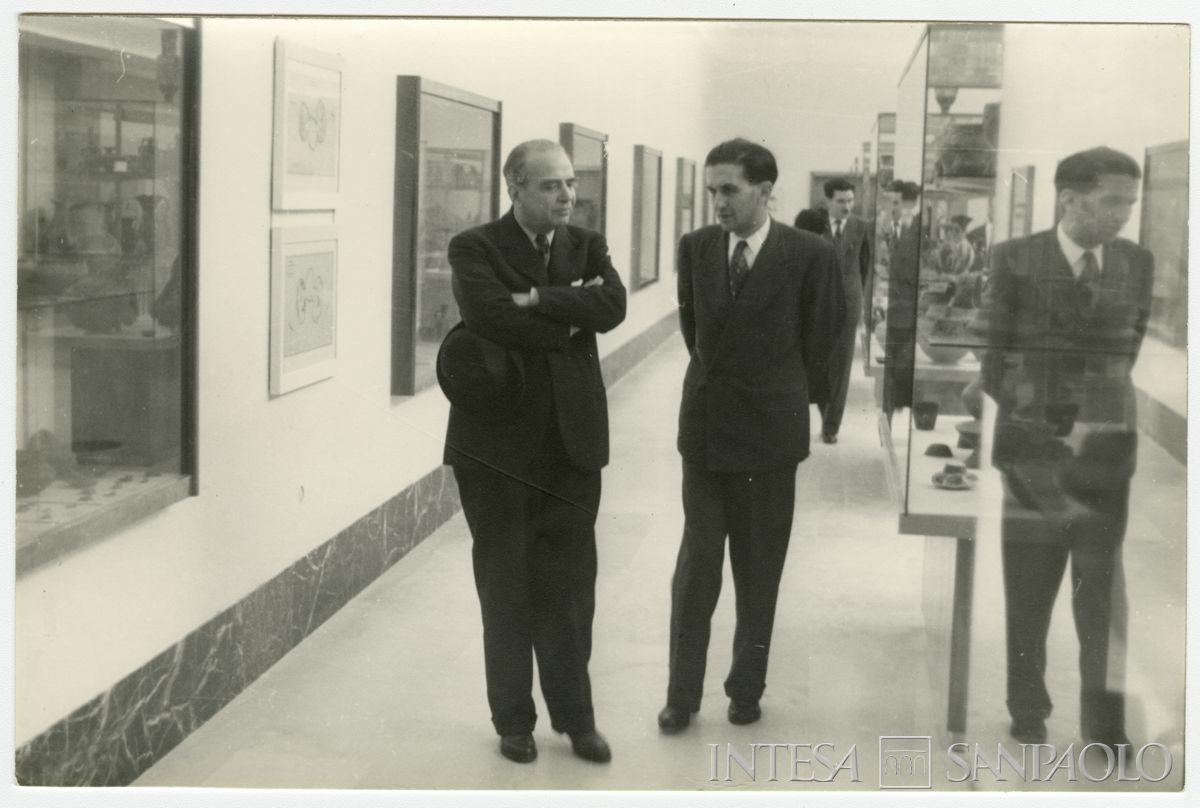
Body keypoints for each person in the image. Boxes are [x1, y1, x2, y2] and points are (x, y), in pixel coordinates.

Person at [439, 139, 627, 764]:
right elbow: (492, 319)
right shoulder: (475, 247)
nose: (567, 196)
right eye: (550, 186)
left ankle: (577, 721)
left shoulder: (586, 244)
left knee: (573, 589)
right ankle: (513, 721)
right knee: (506, 585)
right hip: (495, 447)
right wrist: (573, 317)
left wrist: (543, 299)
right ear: (514, 187)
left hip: (572, 444)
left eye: (570, 184)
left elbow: (614, 305)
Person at [658, 138, 845, 733]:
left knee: (759, 570)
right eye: (711, 190)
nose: (717, 202)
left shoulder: (810, 254)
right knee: (697, 566)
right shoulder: (696, 249)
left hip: (769, 436)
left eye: (729, 190)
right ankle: (682, 695)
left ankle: (745, 689)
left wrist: (778, 390)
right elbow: (695, 333)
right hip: (707, 434)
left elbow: (824, 341)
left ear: (765, 191)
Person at [979, 146, 1153, 748]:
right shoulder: (1015, 259)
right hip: (1033, 457)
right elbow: (994, 360)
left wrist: (1093, 416)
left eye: (1130, 202)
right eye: (1112, 201)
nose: (1124, 214)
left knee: (1102, 592)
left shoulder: (1137, 261)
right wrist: (1053, 426)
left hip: (1108, 456)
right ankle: (1027, 706)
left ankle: (1105, 727)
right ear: (1069, 198)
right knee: (1030, 586)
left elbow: (1125, 352)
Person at [815, 177, 872, 444]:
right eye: (841, 201)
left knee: (841, 363)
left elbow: (865, 267)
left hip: (848, 303)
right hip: (815, 303)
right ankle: (824, 412)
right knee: (816, 362)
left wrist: (859, 299)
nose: (847, 206)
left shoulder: (862, 227)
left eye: (851, 200)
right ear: (828, 201)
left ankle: (831, 426)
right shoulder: (812, 223)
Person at [882, 180, 922, 416]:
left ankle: (894, 413)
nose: (891, 207)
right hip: (896, 310)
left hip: (907, 312)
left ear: (910, 202)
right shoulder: (899, 226)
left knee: (900, 370)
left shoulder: (917, 228)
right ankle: (889, 418)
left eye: (895, 202)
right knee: (893, 371)